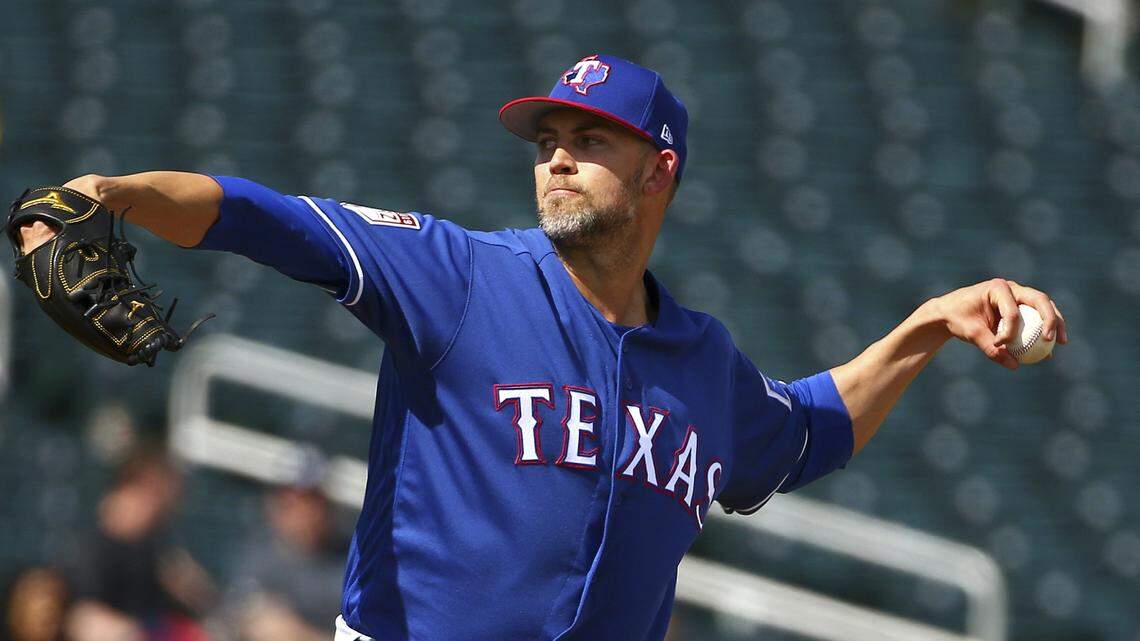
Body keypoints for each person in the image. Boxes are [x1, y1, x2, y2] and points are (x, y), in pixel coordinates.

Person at [15, 54, 1067, 641]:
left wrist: (930, 322)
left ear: (659, 171)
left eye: (589, 140)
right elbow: (258, 213)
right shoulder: (460, 274)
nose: (557, 159)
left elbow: (807, 431)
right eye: (547, 142)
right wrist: (105, 194)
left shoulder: (703, 361)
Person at [64, 451, 214, 641]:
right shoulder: (93, 547)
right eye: (151, 493)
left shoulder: (156, 548)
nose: (158, 508)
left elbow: (201, 601)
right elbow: (85, 618)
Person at [225, 484, 347, 641]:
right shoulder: (259, 552)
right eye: (292, 505)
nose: (305, 514)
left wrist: (299, 635)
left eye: (312, 505)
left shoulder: (347, 564)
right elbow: (236, 614)